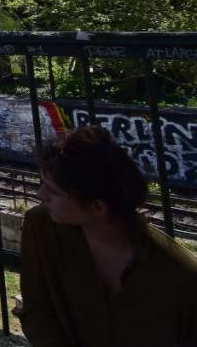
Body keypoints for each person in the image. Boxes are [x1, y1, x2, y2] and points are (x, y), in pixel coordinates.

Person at [20, 125, 197, 346]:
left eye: (52, 191)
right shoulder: (41, 226)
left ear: (97, 207)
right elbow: (36, 310)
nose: (40, 195)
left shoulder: (180, 276)